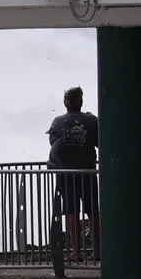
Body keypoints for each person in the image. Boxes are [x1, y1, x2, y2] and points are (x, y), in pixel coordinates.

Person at [46, 86, 100, 263]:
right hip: (88, 171)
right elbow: (101, 142)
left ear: (65, 103)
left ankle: (76, 251)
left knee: (71, 211)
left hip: (66, 172)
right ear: (81, 102)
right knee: (92, 211)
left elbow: (53, 142)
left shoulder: (57, 121)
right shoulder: (92, 121)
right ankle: (97, 250)